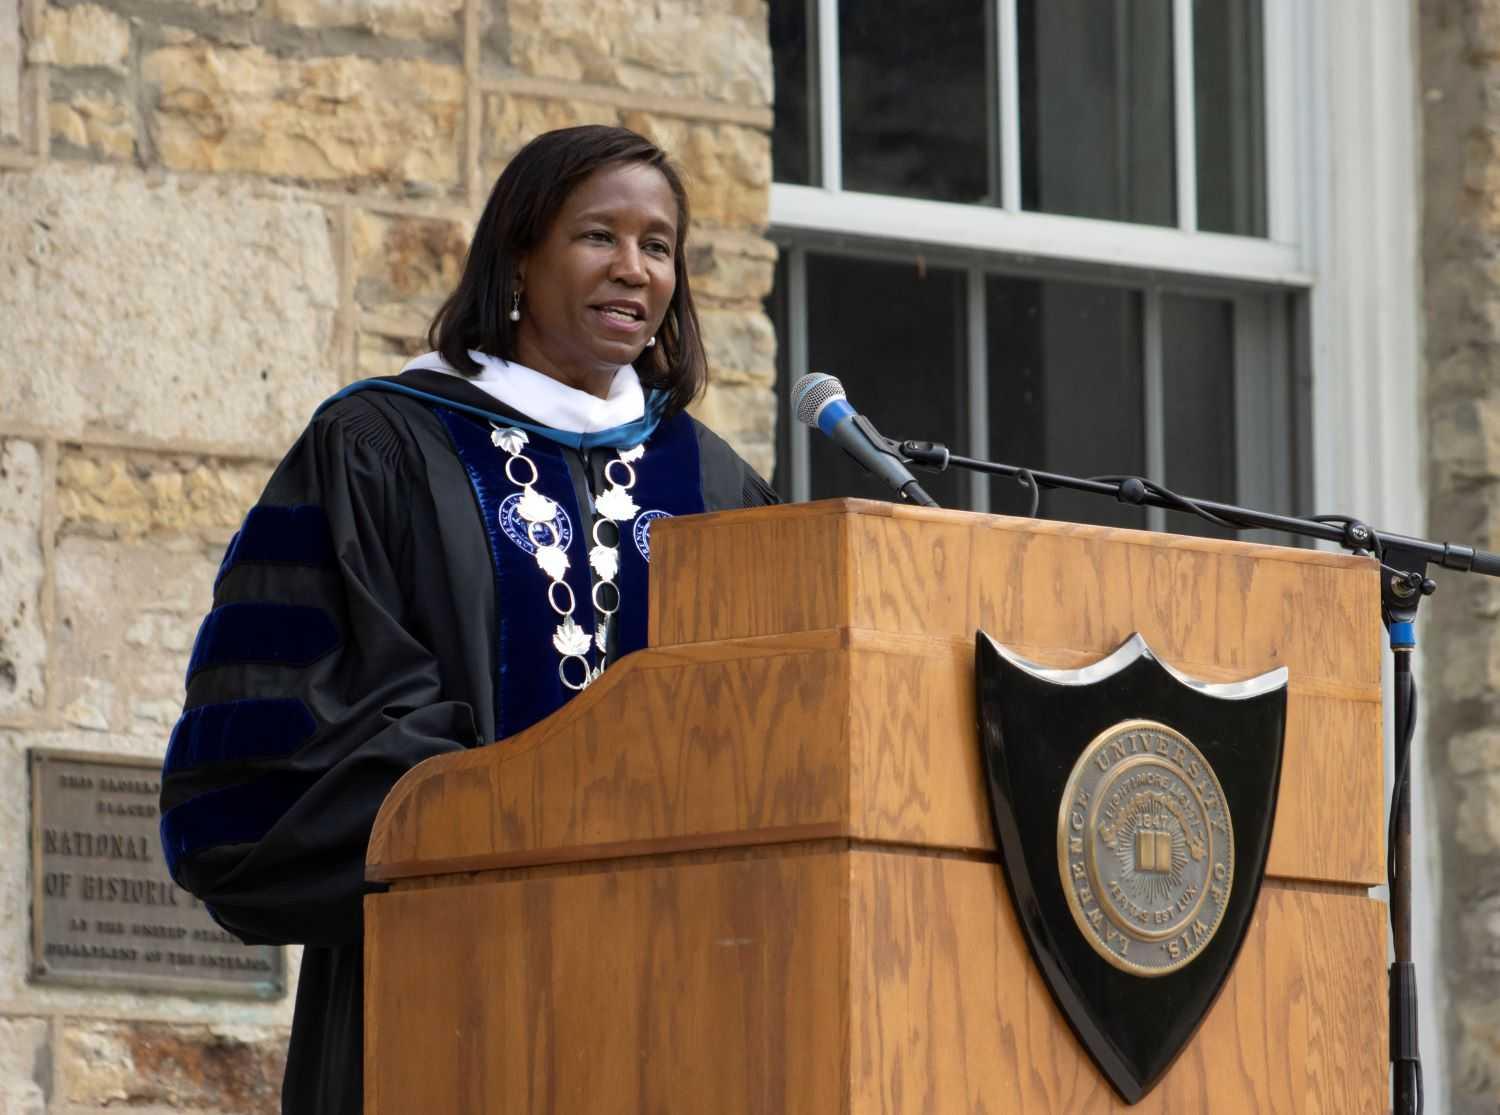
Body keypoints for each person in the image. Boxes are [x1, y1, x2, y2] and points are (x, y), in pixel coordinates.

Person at [157, 125, 778, 1115]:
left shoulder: (716, 485)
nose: (633, 268)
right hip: (443, 991)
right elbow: (273, 753)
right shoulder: (382, 446)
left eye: (658, 245)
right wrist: (519, 804)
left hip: (683, 995)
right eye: (598, 237)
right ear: (519, 256)